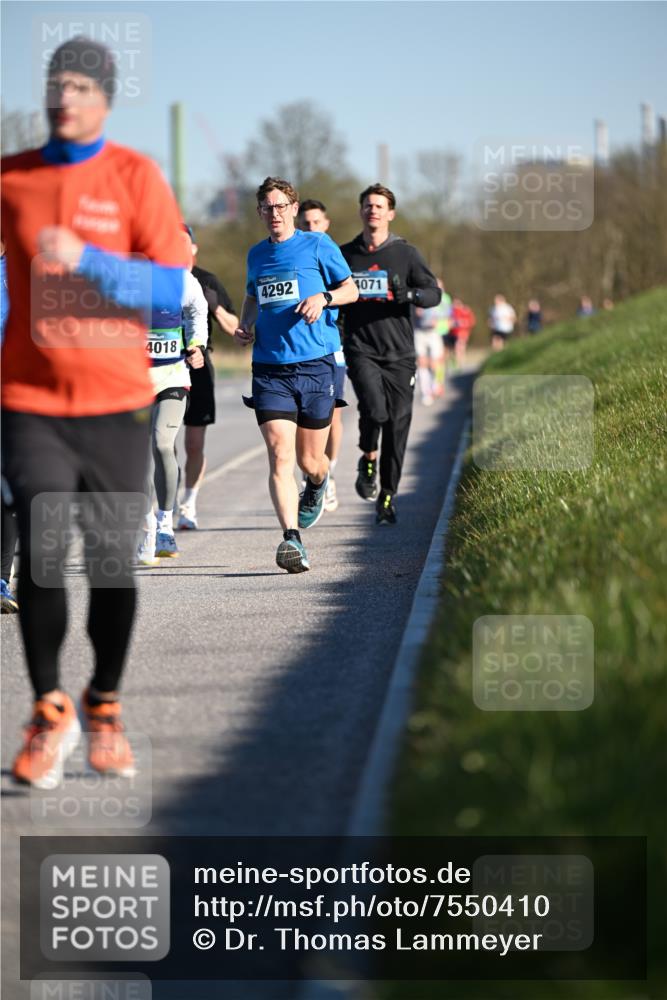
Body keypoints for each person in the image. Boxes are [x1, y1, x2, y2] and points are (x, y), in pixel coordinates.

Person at [1, 37, 189, 786]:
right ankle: (49, 710)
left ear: (106, 97)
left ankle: (103, 703)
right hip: (29, 400)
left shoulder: (135, 176)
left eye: (79, 86)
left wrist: (89, 260)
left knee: (112, 567)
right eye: (56, 84)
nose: (64, 98)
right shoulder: (12, 179)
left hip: (116, 401)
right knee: (44, 544)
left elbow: (170, 290)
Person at [235, 177, 358, 572]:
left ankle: (319, 484)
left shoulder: (318, 245)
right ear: (260, 213)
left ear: (293, 207)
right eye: (266, 208)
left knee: (310, 460)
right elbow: (254, 294)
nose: (274, 214)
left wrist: (323, 298)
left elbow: (351, 290)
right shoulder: (256, 254)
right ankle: (292, 540)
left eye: (280, 206)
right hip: (270, 367)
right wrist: (246, 324)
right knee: (279, 454)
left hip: (315, 362)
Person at [339, 183, 441, 525]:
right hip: (360, 346)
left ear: (390, 213)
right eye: (368, 205)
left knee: (398, 424)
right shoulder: (345, 254)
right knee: (375, 410)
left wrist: (408, 294)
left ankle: (387, 495)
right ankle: (367, 456)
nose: (373, 211)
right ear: (361, 211)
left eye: (380, 206)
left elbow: (433, 294)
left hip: (399, 353)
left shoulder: (405, 254)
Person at [137, 228, 208, 565]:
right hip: (131, 380)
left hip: (171, 375)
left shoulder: (183, 280)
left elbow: (198, 312)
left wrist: (196, 345)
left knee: (162, 444)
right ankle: (145, 525)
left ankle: (165, 523)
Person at [177, 225, 238, 531]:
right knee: (161, 444)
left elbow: (235, 328)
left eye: (183, 242)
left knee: (193, 443)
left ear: (194, 247)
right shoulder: (155, 278)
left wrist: (214, 306)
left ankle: (188, 503)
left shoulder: (207, 280)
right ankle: (161, 501)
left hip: (199, 367)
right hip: (162, 367)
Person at [297, 199, 345, 512]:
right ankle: (315, 471)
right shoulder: (296, 253)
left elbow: (350, 290)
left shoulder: (328, 252)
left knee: (333, 415)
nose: (312, 228)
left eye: (317, 222)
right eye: (306, 223)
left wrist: (325, 300)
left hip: (331, 346)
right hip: (299, 349)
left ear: (325, 224)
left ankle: (330, 471)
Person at [413, 281, 447, 405]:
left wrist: (437, 318)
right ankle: (426, 392)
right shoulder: (419, 294)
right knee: (421, 362)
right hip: (419, 331)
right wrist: (417, 311)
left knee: (435, 362)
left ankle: (436, 385)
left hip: (434, 332)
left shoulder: (443, 299)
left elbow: (447, 313)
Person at [449, 297, 476, 364]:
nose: (454, 305)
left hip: (462, 332)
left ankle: (460, 362)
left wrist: (463, 323)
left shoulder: (465, 310)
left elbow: (472, 321)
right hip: (453, 333)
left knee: (459, 347)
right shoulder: (452, 311)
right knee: (456, 348)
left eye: (456, 303)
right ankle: (458, 362)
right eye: (454, 303)